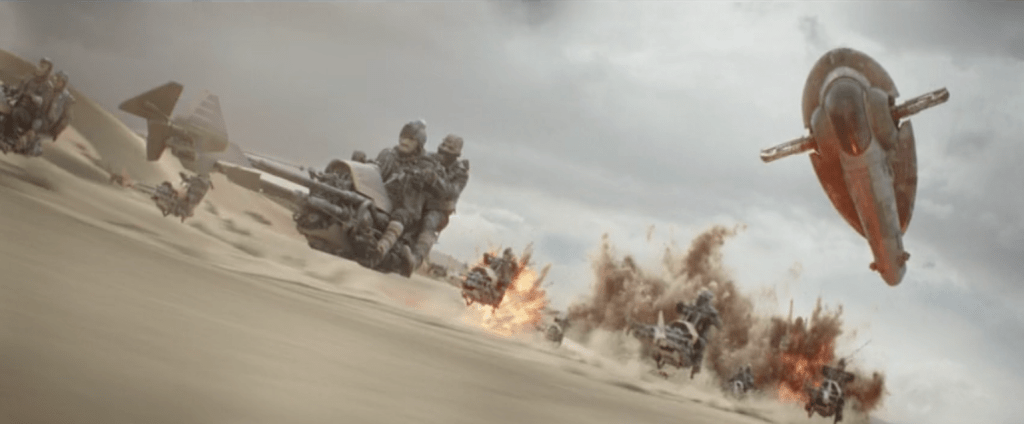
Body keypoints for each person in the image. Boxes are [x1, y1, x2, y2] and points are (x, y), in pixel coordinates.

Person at [373, 120, 436, 270]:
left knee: (401, 215)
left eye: (410, 139)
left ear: (419, 144)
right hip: (380, 197)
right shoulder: (388, 154)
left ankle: (382, 246)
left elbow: (432, 179)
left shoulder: (426, 163)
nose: (404, 141)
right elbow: (376, 170)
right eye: (403, 137)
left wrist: (424, 176)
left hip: (406, 207)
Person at [403, 134, 470, 273]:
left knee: (429, 222)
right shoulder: (429, 158)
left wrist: (435, 180)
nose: (444, 150)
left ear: (456, 154)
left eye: (449, 148)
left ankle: (415, 259)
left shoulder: (461, 172)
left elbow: (452, 191)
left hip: (438, 208)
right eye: (444, 145)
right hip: (418, 198)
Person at [676, 290, 722, 377]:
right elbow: (682, 311)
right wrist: (680, 306)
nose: (699, 299)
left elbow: (719, 325)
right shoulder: (692, 306)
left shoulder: (711, 312)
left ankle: (695, 368)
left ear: (707, 300)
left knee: (701, 346)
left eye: (702, 298)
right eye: (699, 297)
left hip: (699, 335)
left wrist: (713, 319)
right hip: (684, 331)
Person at [41, 70, 74, 140]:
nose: (57, 82)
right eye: (56, 79)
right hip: (39, 115)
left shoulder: (66, 98)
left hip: (50, 123)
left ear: (63, 84)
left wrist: (57, 130)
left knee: (36, 125)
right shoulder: (49, 88)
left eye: (60, 81)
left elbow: (67, 118)